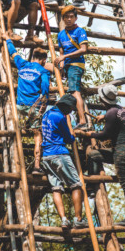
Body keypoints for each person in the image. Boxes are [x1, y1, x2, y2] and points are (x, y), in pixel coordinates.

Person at [85, 84, 125, 226]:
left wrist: (91, 134)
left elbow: (106, 135)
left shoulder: (111, 113)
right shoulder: (120, 109)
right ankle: (92, 184)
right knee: (93, 154)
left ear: (102, 99)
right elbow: (114, 119)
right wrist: (104, 116)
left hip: (122, 151)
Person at [2, 32, 50, 174]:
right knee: (37, 135)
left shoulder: (22, 64)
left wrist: (8, 39)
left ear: (33, 57)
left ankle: (27, 125)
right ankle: (36, 166)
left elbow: (13, 53)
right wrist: (44, 106)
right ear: (42, 60)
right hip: (33, 108)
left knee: (22, 126)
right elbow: (45, 89)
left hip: (19, 106)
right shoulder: (43, 71)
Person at [41, 94, 88, 228]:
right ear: (66, 107)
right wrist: (72, 135)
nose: (71, 112)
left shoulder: (47, 114)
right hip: (59, 154)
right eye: (71, 109)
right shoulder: (60, 117)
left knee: (56, 188)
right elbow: (69, 139)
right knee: (76, 185)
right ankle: (78, 219)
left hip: (46, 156)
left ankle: (64, 220)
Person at [54, 5, 88, 128]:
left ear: (76, 18)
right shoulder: (61, 35)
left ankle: (82, 121)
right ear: (63, 19)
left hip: (76, 65)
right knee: (73, 91)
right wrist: (62, 67)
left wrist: (64, 57)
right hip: (68, 66)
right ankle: (80, 119)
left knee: (74, 91)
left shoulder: (80, 31)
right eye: (66, 17)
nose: (69, 19)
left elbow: (83, 49)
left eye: (71, 17)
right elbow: (61, 53)